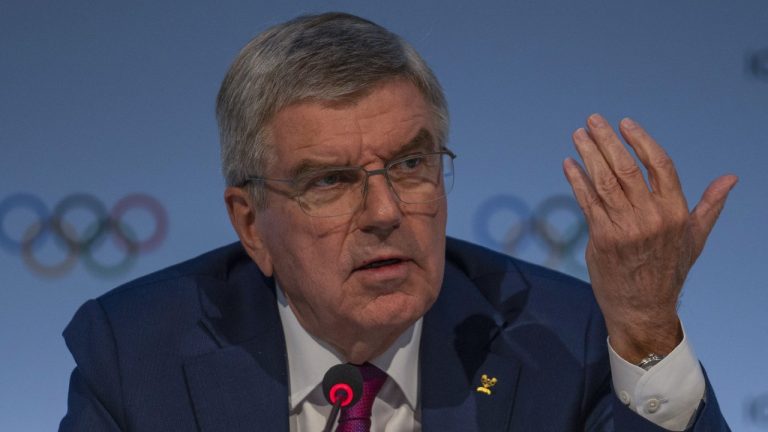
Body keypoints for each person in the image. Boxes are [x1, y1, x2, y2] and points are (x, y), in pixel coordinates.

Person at [60, 12, 735, 431]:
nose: (386, 213)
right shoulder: (135, 352)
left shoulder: (564, 338)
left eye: (411, 164)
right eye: (330, 180)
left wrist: (647, 332)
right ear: (252, 225)